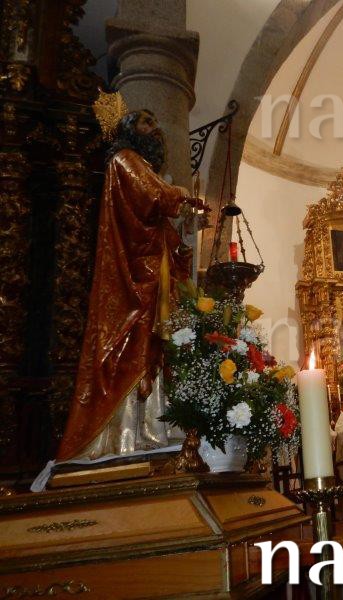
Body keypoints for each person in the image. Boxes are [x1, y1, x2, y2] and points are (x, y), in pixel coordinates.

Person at [57, 110, 210, 461]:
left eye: (154, 123)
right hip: (134, 276)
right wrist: (181, 193)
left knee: (156, 345)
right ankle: (126, 436)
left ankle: (154, 430)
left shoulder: (143, 166)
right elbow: (154, 197)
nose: (155, 129)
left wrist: (184, 232)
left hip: (152, 271)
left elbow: (160, 221)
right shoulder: (124, 160)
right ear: (130, 131)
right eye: (146, 123)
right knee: (133, 342)